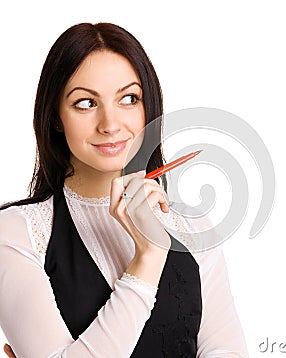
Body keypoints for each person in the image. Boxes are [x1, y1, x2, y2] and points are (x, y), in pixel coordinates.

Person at [0, 22, 248, 357]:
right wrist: (148, 256)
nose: (111, 124)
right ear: (56, 116)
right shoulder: (17, 234)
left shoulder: (194, 228)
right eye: (86, 103)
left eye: (129, 99)